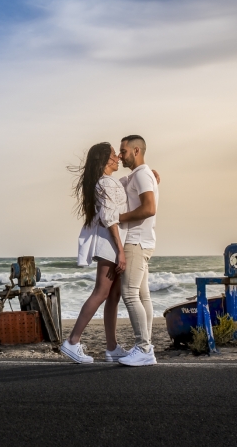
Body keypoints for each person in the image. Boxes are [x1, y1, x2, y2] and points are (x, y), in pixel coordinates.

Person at [60, 142, 129, 364]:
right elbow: (110, 218)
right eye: (113, 155)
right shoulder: (104, 183)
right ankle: (72, 341)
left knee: (114, 295)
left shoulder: (108, 182)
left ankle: (112, 347)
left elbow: (122, 191)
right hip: (110, 244)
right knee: (101, 292)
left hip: (114, 244)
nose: (118, 157)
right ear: (105, 160)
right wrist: (120, 250)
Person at [115, 135, 159, 367]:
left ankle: (143, 348)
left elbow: (149, 208)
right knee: (142, 296)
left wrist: (119, 218)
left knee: (130, 295)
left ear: (137, 150)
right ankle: (145, 346)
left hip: (136, 242)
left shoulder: (142, 174)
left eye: (123, 151)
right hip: (143, 241)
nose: (120, 155)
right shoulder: (141, 174)